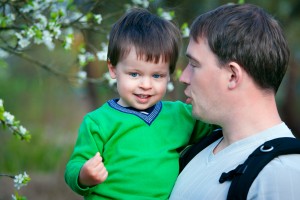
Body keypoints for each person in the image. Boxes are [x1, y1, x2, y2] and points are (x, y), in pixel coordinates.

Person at [64, 8, 214, 199]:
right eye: (134, 74)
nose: (145, 85)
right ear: (113, 69)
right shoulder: (99, 122)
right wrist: (83, 175)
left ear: (169, 74)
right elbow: (75, 164)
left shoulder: (180, 115)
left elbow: (219, 123)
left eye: (157, 75)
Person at [170, 3, 300, 199]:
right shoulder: (201, 148)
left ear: (232, 75)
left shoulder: (281, 174)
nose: (184, 77)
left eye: (194, 65)